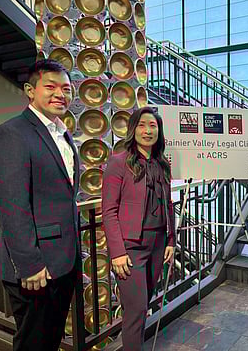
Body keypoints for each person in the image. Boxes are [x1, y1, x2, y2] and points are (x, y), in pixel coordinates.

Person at [0, 59, 80, 351]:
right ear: (30, 90)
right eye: (50, 87)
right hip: (35, 267)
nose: (60, 94)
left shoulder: (62, 133)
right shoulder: (12, 133)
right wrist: (29, 265)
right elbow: (11, 205)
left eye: (66, 88)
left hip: (61, 260)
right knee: (33, 344)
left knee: (49, 340)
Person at [102, 107, 175, 351]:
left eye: (153, 126)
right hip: (131, 248)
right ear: (134, 129)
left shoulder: (162, 163)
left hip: (157, 244)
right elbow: (109, 210)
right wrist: (117, 252)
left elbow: (169, 205)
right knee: (136, 310)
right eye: (142, 125)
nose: (148, 130)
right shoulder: (118, 162)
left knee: (144, 305)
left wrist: (171, 241)